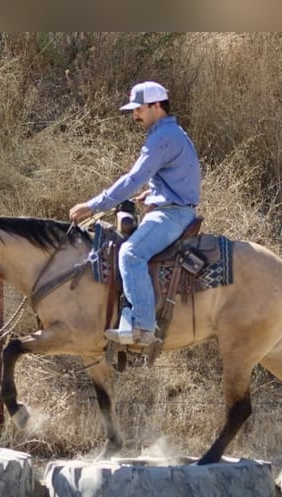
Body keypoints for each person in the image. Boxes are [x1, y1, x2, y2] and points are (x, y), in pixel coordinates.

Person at [69, 81, 201, 346]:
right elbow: (175, 177)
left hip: (173, 215)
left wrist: (93, 205)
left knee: (130, 254)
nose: (134, 115)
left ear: (156, 106)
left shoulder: (163, 138)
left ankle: (142, 328)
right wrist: (152, 196)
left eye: (139, 108)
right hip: (173, 209)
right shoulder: (171, 133)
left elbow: (133, 178)